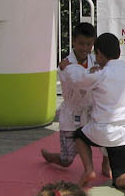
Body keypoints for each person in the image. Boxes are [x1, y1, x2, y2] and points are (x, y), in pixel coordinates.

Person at [72, 33, 125, 196]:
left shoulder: (99, 74)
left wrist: (86, 71)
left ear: (100, 55)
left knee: (79, 135)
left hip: (102, 131)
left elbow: (78, 82)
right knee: (118, 179)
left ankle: (89, 169)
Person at [41, 22, 104, 174]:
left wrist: (124, 68)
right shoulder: (65, 65)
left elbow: (110, 69)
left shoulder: (96, 61)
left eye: (89, 44)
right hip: (71, 114)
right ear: (73, 41)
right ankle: (52, 157)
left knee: (108, 139)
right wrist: (93, 73)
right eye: (81, 43)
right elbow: (79, 81)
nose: (85, 48)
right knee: (67, 160)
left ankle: (106, 165)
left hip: (92, 113)